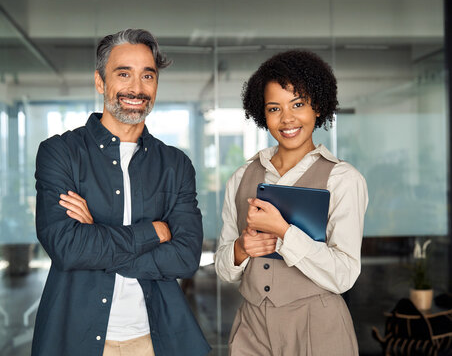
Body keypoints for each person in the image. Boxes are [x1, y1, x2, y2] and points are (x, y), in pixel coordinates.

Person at [32, 29, 211, 356]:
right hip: (75, 338)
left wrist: (96, 239)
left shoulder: (175, 164)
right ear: (100, 82)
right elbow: (67, 247)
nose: (137, 88)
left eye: (147, 76)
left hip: (154, 340)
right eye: (123, 74)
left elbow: (185, 258)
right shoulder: (61, 153)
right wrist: (153, 232)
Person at [214, 50, 368, 355]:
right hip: (252, 327)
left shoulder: (343, 179)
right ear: (262, 113)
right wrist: (241, 249)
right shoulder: (242, 175)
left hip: (318, 327)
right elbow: (223, 268)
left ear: (318, 108)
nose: (287, 119)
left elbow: (344, 275)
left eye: (298, 104)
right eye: (274, 108)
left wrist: (284, 233)